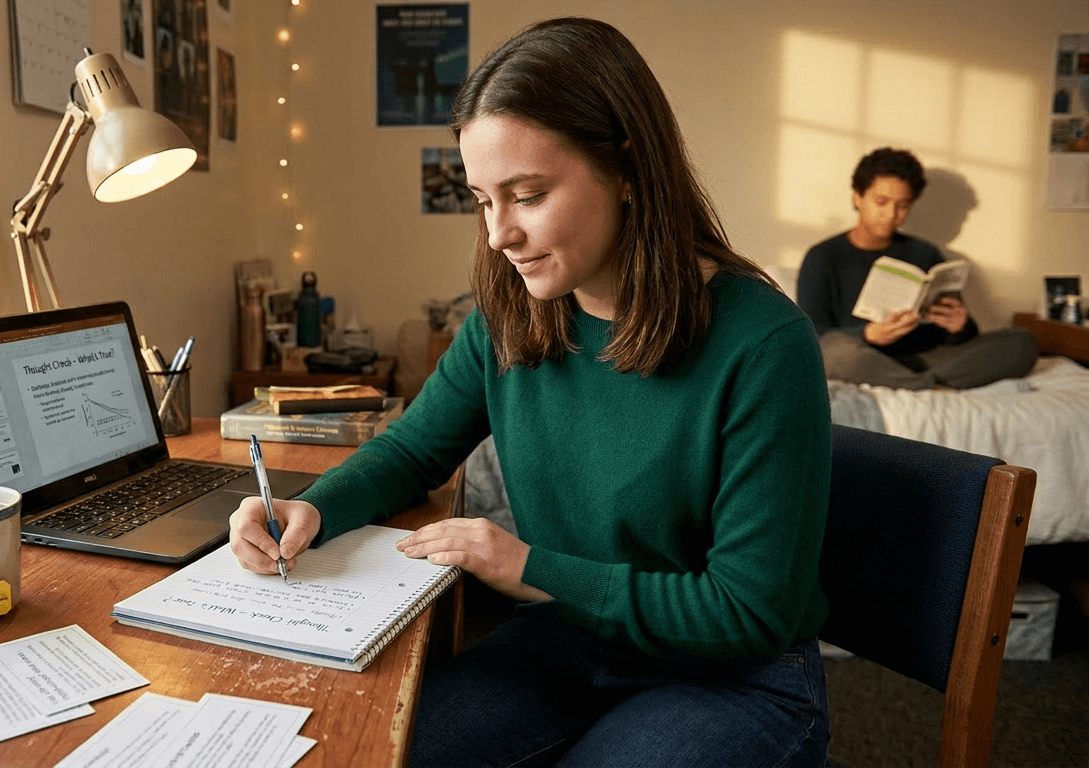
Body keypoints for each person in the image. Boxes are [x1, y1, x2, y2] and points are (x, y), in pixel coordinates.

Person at [229, 17, 832, 767]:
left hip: (732, 675)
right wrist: (314, 507)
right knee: (369, 750)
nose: (498, 235)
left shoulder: (764, 345)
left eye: (528, 195)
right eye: (483, 200)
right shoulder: (510, 314)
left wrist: (525, 567)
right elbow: (416, 447)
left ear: (629, 170)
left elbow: (748, 612)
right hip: (567, 638)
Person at [797, 147, 1038, 390]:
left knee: (1022, 342)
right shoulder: (823, 257)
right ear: (857, 198)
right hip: (862, 357)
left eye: (903, 205)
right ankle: (930, 388)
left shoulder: (924, 253)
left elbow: (956, 339)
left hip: (925, 359)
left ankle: (915, 383)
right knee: (833, 354)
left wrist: (960, 326)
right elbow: (813, 337)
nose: (891, 215)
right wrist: (868, 335)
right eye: (881, 202)